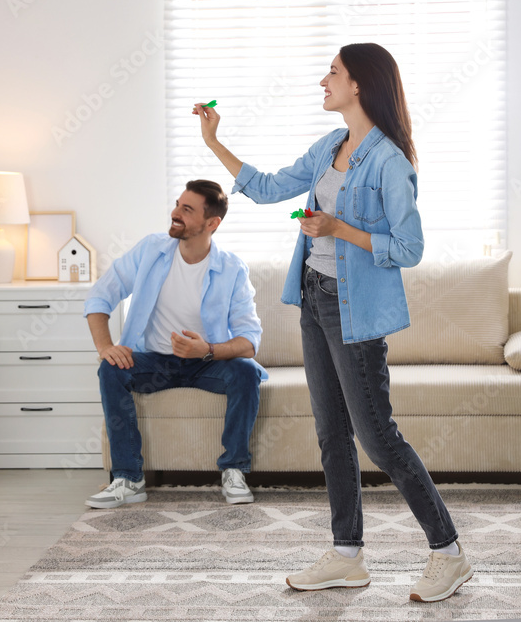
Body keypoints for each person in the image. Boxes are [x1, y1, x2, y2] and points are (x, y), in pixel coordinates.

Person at [192, 43, 473, 603]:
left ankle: (449, 553)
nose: (324, 81)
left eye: (333, 73)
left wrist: (338, 229)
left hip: (355, 309)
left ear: (360, 85)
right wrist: (213, 141)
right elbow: (271, 187)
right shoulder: (332, 146)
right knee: (331, 435)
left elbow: (410, 247)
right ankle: (348, 554)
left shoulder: (391, 161)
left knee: (378, 437)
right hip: (313, 298)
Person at [83, 180, 266, 509]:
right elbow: (101, 294)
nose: (175, 213)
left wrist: (207, 350)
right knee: (110, 369)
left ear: (212, 224)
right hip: (154, 361)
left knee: (246, 372)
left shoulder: (231, 269)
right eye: (177, 205)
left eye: (187, 209)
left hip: (207, 363)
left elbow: (249, 340)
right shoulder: (151, 250)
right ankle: (128, 479)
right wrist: (105, 346)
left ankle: (234, 470)